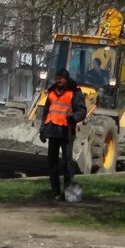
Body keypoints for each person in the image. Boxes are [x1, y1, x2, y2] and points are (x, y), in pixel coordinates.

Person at [39, 69, 87, 201]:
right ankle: (55, 191)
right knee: (52, 163)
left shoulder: (75, 92)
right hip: (52, 131)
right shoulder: (51, 92)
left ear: (66, 79)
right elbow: (46, 113)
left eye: (60, 78)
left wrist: (73, 118)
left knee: (67, 163)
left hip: (66, 132)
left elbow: (82, 111)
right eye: (56, 78)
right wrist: (42, 129)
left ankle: (68, 192)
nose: (58, 80)